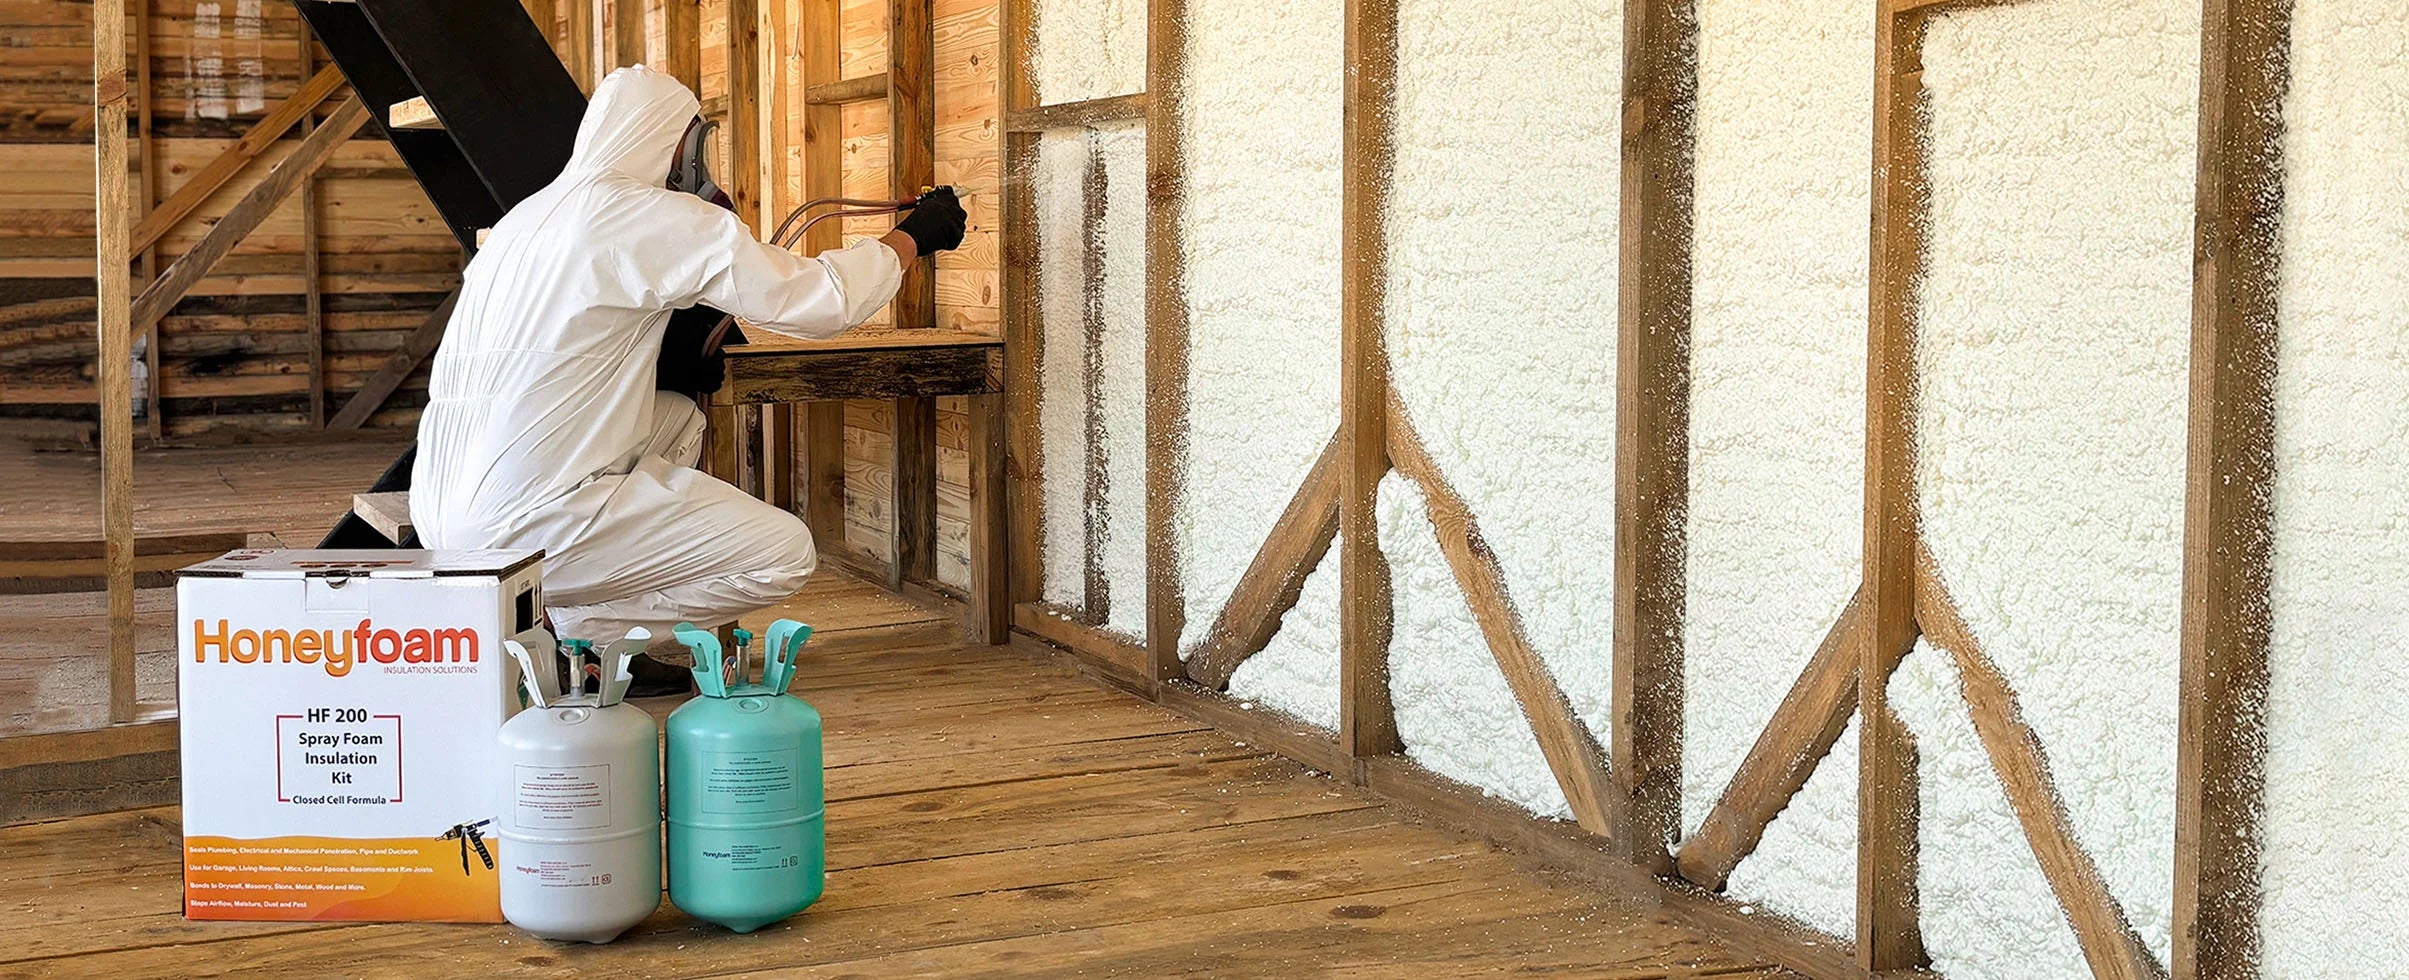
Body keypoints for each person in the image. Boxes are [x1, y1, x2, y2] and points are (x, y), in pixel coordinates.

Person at [410, 65, 966, 672]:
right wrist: (911, 238)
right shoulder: (648, 215)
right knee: (783, 555)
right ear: (672, 142)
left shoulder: (525, 219)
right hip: (527, 527)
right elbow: (818, 301)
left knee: (675, 417)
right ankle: (582, 638)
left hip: (440, 515)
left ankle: (584, 637)